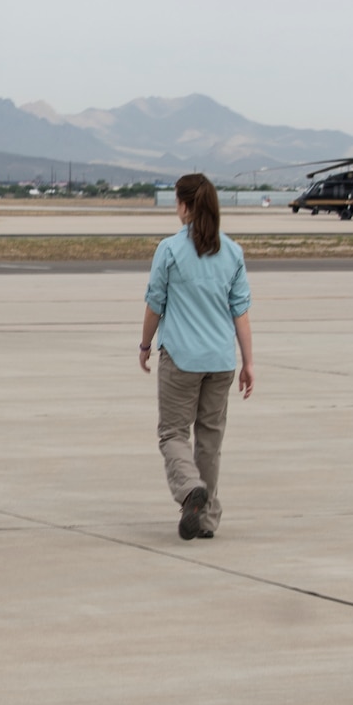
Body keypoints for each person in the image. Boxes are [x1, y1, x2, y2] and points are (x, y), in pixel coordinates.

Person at [140, 173, 253, 540]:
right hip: (221, 360)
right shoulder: (233, 252)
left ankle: (191, 490)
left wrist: (144, 345)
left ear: (186, 206)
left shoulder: (170, 250)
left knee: (172, 432)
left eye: (177, 202)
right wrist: (249, 362)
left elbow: (155, 304)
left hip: (182, 359)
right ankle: (205, 520)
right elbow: (241, 311)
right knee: (210, 440)